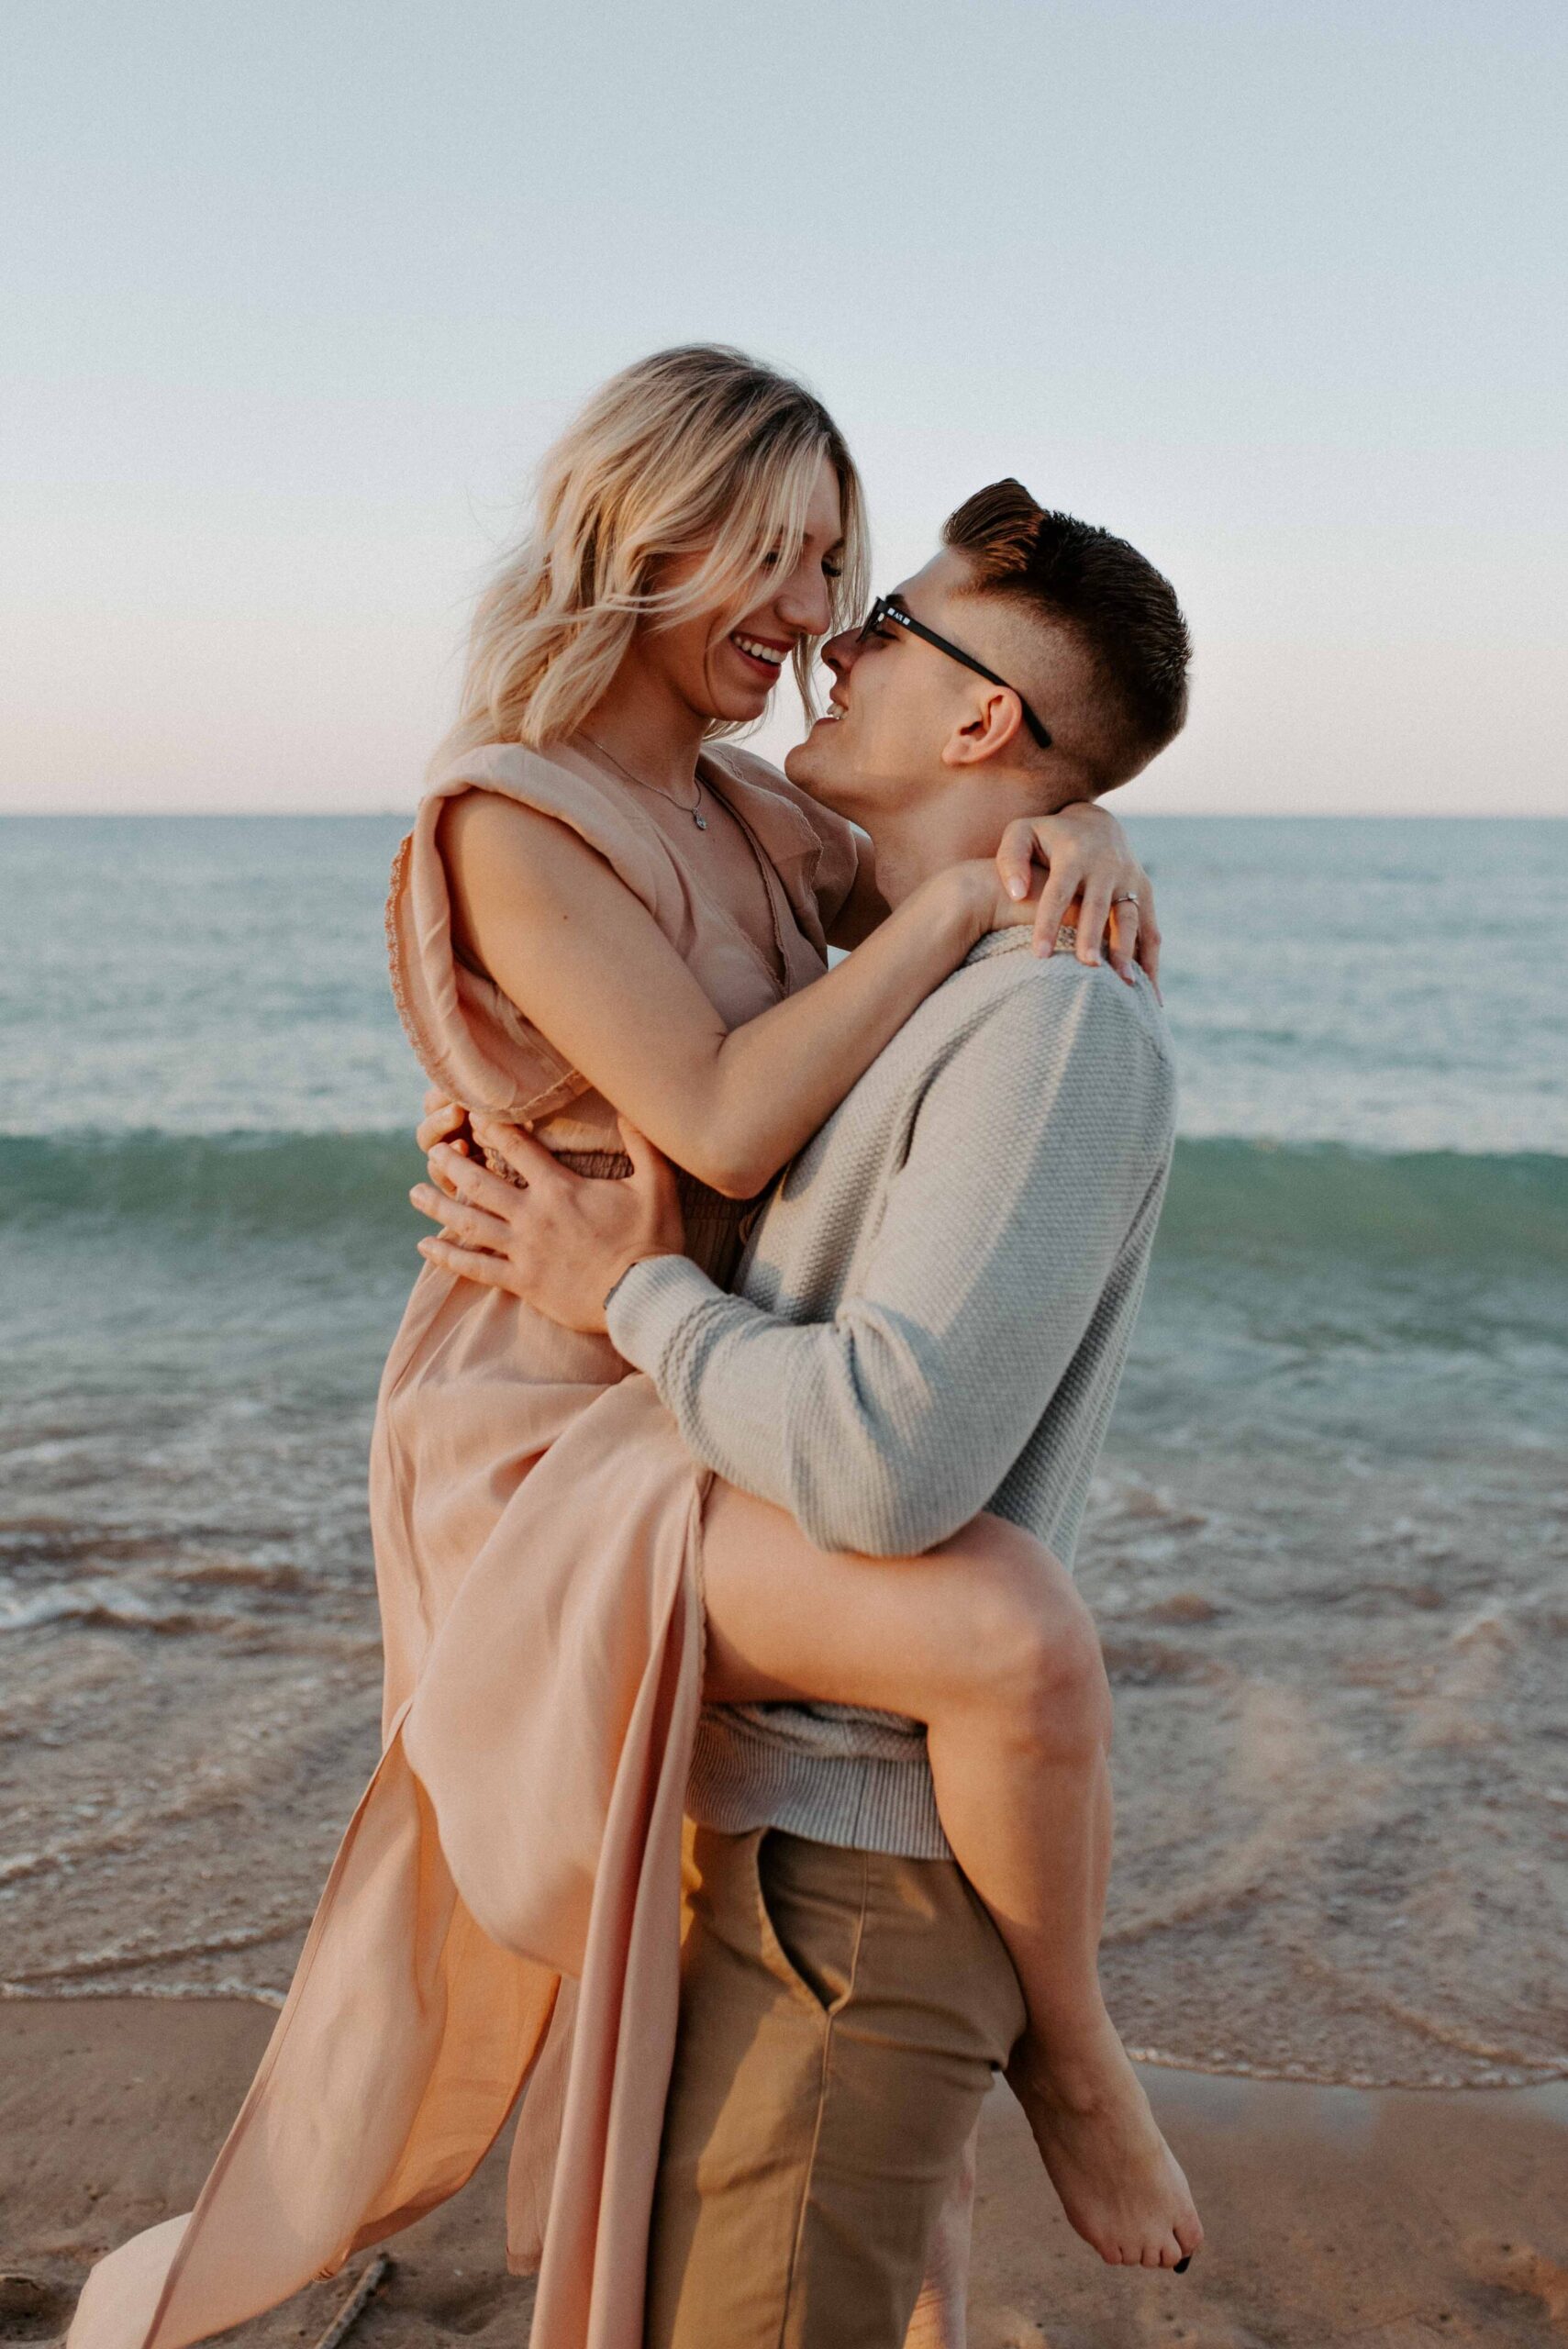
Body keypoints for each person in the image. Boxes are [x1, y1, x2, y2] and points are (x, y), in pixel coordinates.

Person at [67, 350, 1162, 2349]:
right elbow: (733, 1120)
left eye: (841, 561)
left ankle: (994, 2066)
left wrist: (1068, 837)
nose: (816, 612)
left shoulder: (751, 810)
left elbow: (953, 838)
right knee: (998, 1628)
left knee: (943, 1675)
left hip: (685, 1373)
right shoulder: (515, 811)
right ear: (643, 534)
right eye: (776, 549)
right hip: (548, 1403)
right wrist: (958, 921)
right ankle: (1074, 2059)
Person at [413, 478, 1204, 2342]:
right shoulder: (915, 981)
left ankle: (1079, 2070)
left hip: (854, 1886)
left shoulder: (1053, 1023)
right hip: (771, 1821)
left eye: (886, 625)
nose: (835, 645)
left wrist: (621, 1292)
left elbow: (882, 1458)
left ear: (981, 716)